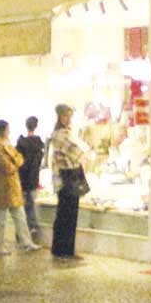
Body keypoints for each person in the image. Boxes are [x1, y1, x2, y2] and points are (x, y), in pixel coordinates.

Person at [0, 118, 38, 251]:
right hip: (1, 186)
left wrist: (15, 162)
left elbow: (19, 158)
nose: (9, 132)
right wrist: (15, 163)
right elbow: (6, 165)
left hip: (13, 186)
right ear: (2, 130)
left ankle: (26, 242)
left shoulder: (7, 143)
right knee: (0, 218)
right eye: (7, 129)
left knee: (20, 216)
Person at [47, 103, 89, 260]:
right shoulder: (59, 135)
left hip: (70, 176)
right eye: (65, 115)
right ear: (59, 117)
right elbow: (77, 151)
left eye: (69, 116)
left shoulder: (69, 133)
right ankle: (60, 249)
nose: (67, 119)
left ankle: (67, 250)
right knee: (65, 214)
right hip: (65, 178)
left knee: (71, 214)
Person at [16, 117, 46, 242]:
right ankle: (32, 228)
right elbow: (38, 163)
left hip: (22, 179)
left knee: (23, 207)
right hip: (33, 179)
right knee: (31, 205)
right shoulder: (39, 145)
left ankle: (22, 233)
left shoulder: (21, 143)